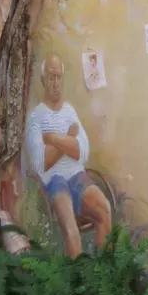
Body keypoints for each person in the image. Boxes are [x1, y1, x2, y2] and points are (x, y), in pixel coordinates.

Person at [24, 55, 112, 258]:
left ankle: (105, 274)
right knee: (71, 229)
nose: (55, 83)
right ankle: (76, 284)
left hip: (76, 176)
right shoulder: (37, 117)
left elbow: (82, 151)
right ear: (43, 80)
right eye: (51, 77)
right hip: (54, 181)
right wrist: (68, 139)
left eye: (59, 77)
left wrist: (53, 138)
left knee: (104, 209)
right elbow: (42, 162)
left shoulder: (70, 111)